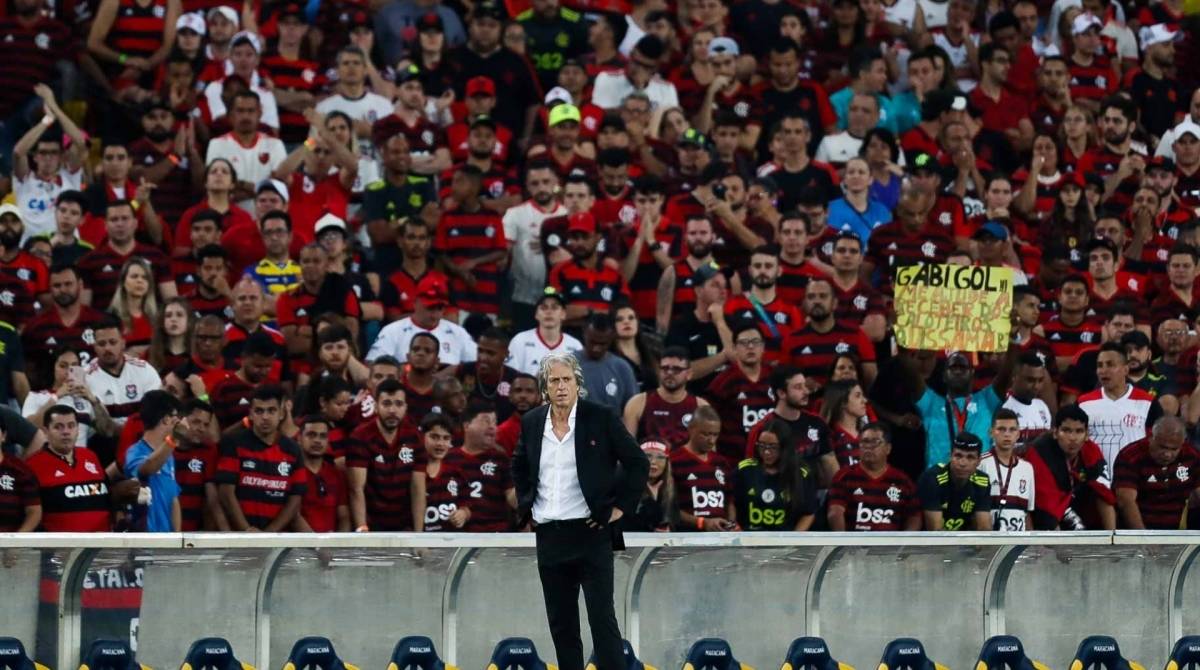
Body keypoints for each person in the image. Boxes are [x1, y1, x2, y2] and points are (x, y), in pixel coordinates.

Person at [513, 352, 647, 670]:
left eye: (567, 380)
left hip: (591, 532)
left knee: (602, 622)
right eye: (555, 380)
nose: (561, 387)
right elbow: (519, 464)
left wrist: (619, 509)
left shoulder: (599, 417)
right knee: (562, 626)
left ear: (577, 383)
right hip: (549, 535)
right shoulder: (532, 422)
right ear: (545, 387)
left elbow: (637, 462)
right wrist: (526, 507)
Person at [215, 385, 307, 532]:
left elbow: (295, 500)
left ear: (281, 414)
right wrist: (246, 530)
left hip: (275, 539)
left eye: (271, 410)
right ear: (250, 414)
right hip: (240, 537)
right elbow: (226, 493)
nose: (265, 417)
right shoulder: (234, 443)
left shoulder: (293, 450)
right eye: (259, 411)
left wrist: (269, 534)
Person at [345, 379, 423, 532]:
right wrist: (362, 530)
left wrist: (419, 536)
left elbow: (418, 488)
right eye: (386, 404)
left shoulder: (415, 437)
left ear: (406, 408)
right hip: (371, 524)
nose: (393, 410)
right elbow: (356, 488)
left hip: (404, 526)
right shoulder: (360, 436)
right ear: (375, 407)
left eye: (399, 404)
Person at [1025, 404, 1116, 530]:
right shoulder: (1040, 453)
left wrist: (1111, 539)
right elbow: (1047, 514)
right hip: (1043, 516)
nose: (1073, 438)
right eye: (1066, 431)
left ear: (1086, 435)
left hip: (1077, 507)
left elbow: (1105, 497)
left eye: (1079, 431)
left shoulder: (1091, 450)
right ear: (1055, 432)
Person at [1076, 342, 1163, 473]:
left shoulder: (1148, 402)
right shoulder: (1083, 403)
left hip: (1135, 479)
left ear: (1125, 369)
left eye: (1110, 365)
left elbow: (1156, 444)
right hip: (1094, 480)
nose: (1103, 370)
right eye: (1100, 365)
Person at [26, 405, 114, 532]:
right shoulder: (33, 465)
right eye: (58, 427)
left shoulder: (90, 456)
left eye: (71, 426)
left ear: (78, 429)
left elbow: (106, 497)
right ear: (45, 431)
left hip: (102, 543)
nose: (66, 432)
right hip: (60, 547)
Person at [827, 422, 922, 531]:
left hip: (890, 546)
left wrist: (904, 543)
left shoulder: (903, 481)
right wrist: (844, 543)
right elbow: (835, 512)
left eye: (875, 442)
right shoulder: (844, 477)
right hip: (853, 545)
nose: (868, 447)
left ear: (888, 448)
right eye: (865, 442)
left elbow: (914, 516)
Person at [705, 321, 774, 464]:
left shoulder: (775, 377)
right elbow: (708, 420)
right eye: (744, 343)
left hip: (772, 458)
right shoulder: (723, 382)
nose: (750, 347)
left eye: (755, 342)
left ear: (763, 347)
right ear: (735, 349)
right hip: (733, 461)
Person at [1114, 416, 1200, 530]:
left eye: (1174, 449)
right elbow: (1126, 500)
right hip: (1138, 528)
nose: (1167, 454)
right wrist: (1143, 538)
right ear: (1151, 437)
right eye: (1162, 447)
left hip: (1178, 529)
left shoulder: (1192, 455)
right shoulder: (1130, 456)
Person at [735, 419, 818, 531]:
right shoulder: (744, 470)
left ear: (785, 447)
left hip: (785, 542)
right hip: (749, 540)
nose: (766, 452)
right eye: (762, 446)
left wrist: (794, 541)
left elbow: (808, 512)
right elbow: (731, 502)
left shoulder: (801, 474)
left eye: (773, 447)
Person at [446, 400, 516, 531]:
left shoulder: (501, 459)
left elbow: (512, 499)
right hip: (457, 534)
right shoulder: (449, 458)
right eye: (486, 421)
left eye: (494, 422)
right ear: (466, 425)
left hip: (495, 533)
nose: (492, 427)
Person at [623, 347, 709, 448]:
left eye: (676, 369)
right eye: (665, 368)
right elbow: (627, 447)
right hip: (648, 462)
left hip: (686, 463)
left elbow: (708, 452)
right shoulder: (637, 403)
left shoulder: (701, 407)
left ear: (689, 374)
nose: (669, 373)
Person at [123, 390, 183, 532]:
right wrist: (173, 439)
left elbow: (173, 499)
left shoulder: (168, 454)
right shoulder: (135, 452)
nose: (179, 421)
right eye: (176, 416)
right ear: (166, 419)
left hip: (168, 543)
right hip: (144, 540)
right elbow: (147, 469)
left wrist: (177, 537)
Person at [669, 404, 736, 531]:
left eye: (715, 435)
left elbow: (729, 502)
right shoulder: (674, 461)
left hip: (720, 539)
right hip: (687, 540)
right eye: (706, 434)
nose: (711, 440)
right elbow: (669, 508)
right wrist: (702, 522)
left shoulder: (721, 463)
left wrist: (731, 524)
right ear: (691, 429)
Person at [916, 432, 993, 531]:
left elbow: (984, 529)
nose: (963, 463)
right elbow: (935, 532)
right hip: (927, 544)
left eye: (970, 457)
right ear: (950, 456)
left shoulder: (982, 481)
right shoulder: (933, 478)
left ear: (978, 461)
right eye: (958, 456)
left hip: (961, 543)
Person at [979, 409, 1036, 531]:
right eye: (1001, 429)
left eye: (1012, 430)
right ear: (991, 432)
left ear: (1018, 434)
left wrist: (1030, 544)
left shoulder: (1027, 468)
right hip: (990, 540)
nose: (1007, 434)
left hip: (1017, 543)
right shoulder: (981, 463)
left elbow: (1026, 513)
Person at [507, 288, 584, 376]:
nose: (549, 312)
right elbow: (510, 378)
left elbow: (580, 382)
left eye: (554, 308)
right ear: (536, 314)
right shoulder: (520, 340)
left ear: (563, 314)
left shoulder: (575, 346)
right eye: (544, 308)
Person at [294, 415, 350, 533]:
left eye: (323, 436)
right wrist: (318, 545)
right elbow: (294, 516)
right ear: (299, 438)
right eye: (311, 435)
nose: (317, 440)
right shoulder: (292, 474)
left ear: (328, 441)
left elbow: (344, 516)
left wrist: (338, 544)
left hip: (333, 548)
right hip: (300, 548)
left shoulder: (337, 474)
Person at [578, 314, 638, 413]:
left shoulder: (622, 368)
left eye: (602, 344)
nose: (596, 348)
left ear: (612, 337)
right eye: (592, 342)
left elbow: (632, 410)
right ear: (584, 333)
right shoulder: (566, 365)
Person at [420, 412, 469, 531]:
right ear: (422, 436)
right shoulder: (412, 473)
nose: (440, 444)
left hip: (450, 543)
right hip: (419, 542)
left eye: (446, 438)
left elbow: (467, 505)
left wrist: (463, 514)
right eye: (434, 437)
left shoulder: (456, 472)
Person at [624, 440, 674, 532]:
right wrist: (651, 501)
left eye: (660, 457)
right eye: (647, 456)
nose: (654, 461)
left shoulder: (670, 490)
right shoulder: (623, 485)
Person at [0, 427, 39, 530]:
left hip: (11, 542)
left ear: (3, 436)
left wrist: (16, 541)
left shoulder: (20, 470)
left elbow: (34, 511)